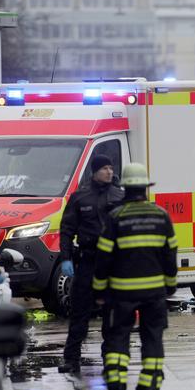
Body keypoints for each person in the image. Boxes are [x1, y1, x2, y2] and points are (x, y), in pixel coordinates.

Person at [93, 163, 177, 390]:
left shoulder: (115, 218)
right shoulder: (162, 217)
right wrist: (169, 286)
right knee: (152, 338)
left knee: (117, 338)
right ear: (145, 189)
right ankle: (149, 388)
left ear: (125, 189)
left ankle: (117, 389)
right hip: (154, 293)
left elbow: (103, 259)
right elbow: (170, 255)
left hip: (120, 294)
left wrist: (99, 290)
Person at [58, 154, 124, 374]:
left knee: (111, 313)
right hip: (88, 261)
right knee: (80, 312)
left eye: (111, 168)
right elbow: (67, 230)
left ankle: (110, 358)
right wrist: (66, 257)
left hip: (114, 263)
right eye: (104, 168)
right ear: (95, 171)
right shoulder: (80, 197)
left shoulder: (119, 196)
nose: (109, 172)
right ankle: (71, 359)